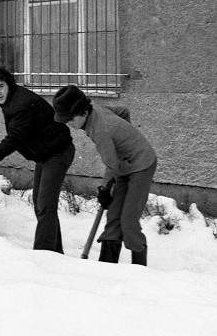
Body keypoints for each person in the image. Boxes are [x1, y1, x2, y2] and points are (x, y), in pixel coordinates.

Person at [53, 85, 157, 266]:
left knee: (129, 221)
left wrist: (104, 188)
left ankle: (140, 269)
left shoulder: (101, 131)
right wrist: (124, 142)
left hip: (141, 165)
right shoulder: (94, 110)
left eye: (69, 119)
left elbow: (111, 165)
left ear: (82, 113)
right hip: (123, 166)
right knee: (113, 217)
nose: (68, 123)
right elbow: (123, 111)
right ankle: (107, 266)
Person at [0, 67, 75, 253]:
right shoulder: (13, 100)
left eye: (1, 86)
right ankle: (55, 252)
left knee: (45, 205)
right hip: (46, 153)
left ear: (9, 84)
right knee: (41, 204)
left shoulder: (20, 104)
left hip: (58, 152)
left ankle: (44, 255)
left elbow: (14, 139)